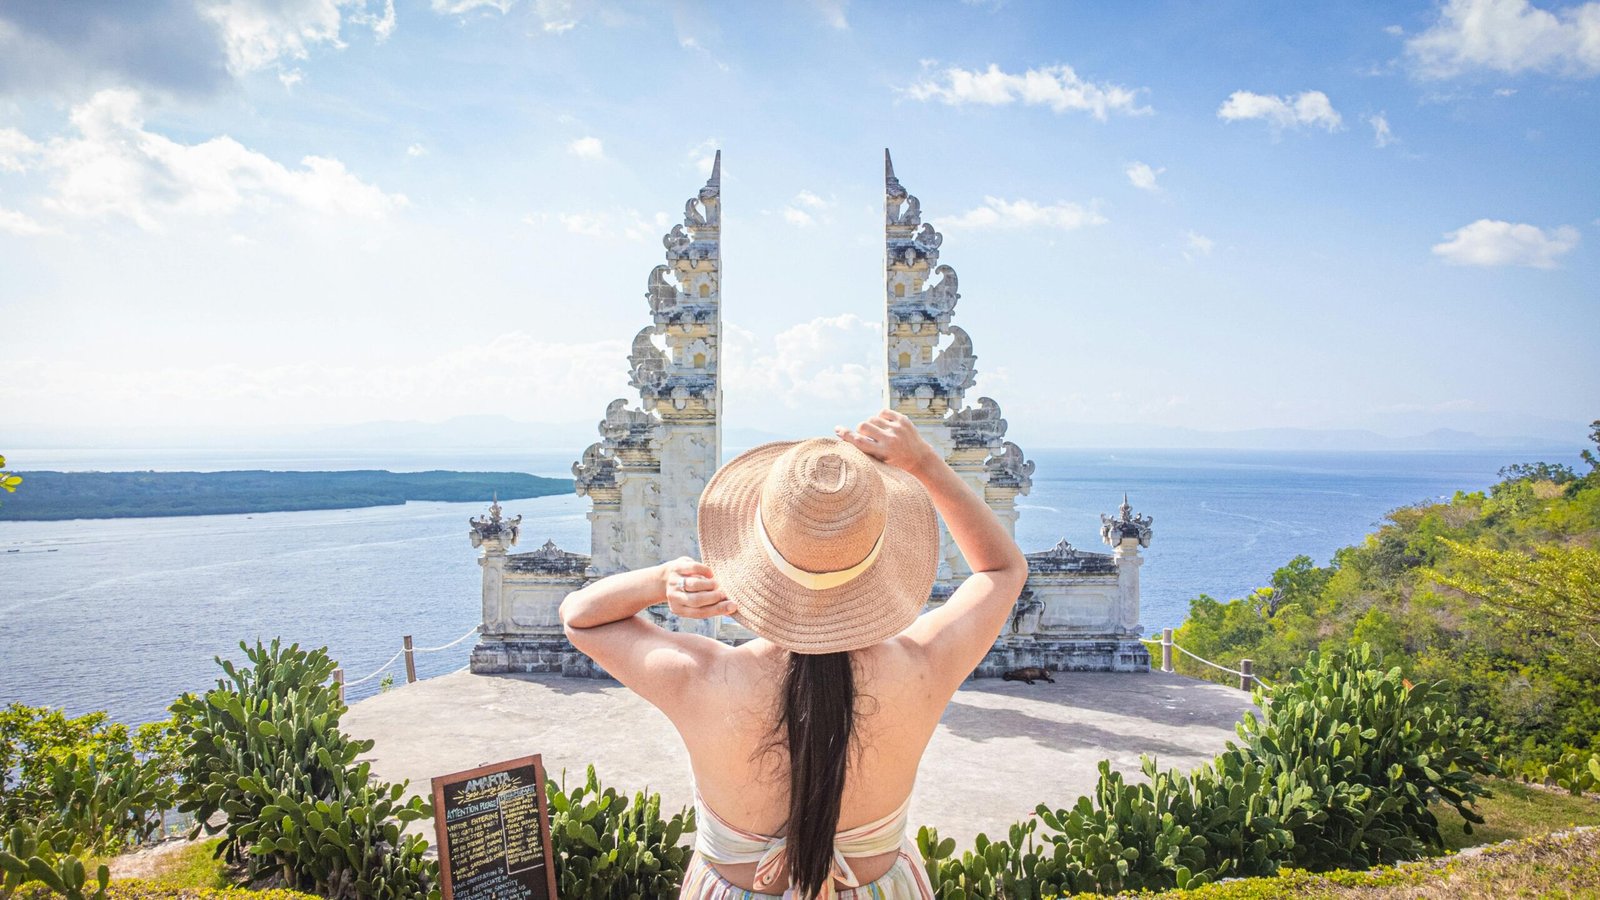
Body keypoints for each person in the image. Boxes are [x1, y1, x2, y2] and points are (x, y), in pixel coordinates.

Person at [559, 409, 1029, 899]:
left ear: (754, 555)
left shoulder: (702, 677)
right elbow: (1002, 570)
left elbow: (580, 617)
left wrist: (662, 580)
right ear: (879, 555)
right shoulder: (922, 666)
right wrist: (924, 463)